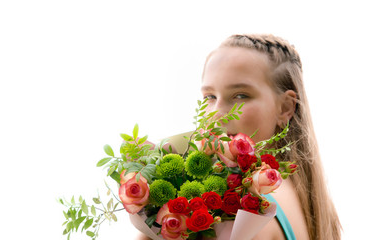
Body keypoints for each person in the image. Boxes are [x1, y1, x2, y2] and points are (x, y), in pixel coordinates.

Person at [137, 34, 341, 239]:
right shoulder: (302, 197)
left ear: (285, 107)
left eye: (241, 95)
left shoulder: (251, 210)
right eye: (209, 96)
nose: (216, 112)